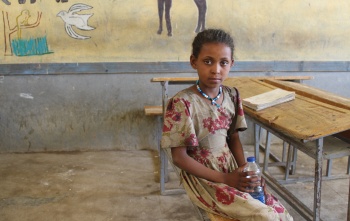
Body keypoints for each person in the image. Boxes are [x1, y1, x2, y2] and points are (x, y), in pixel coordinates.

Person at [161, 28, 293, 221]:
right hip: (202, 175)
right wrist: (226, 179)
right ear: (193, 62)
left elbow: (234, 139)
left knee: (278, 211)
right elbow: (179, 158)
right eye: (208, 61)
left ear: (231, 64)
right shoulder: (183, 103)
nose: (216, 69)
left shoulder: (231, 95)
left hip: (230, 166)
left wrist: (247, 175)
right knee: (265, 216)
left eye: (223, 63)